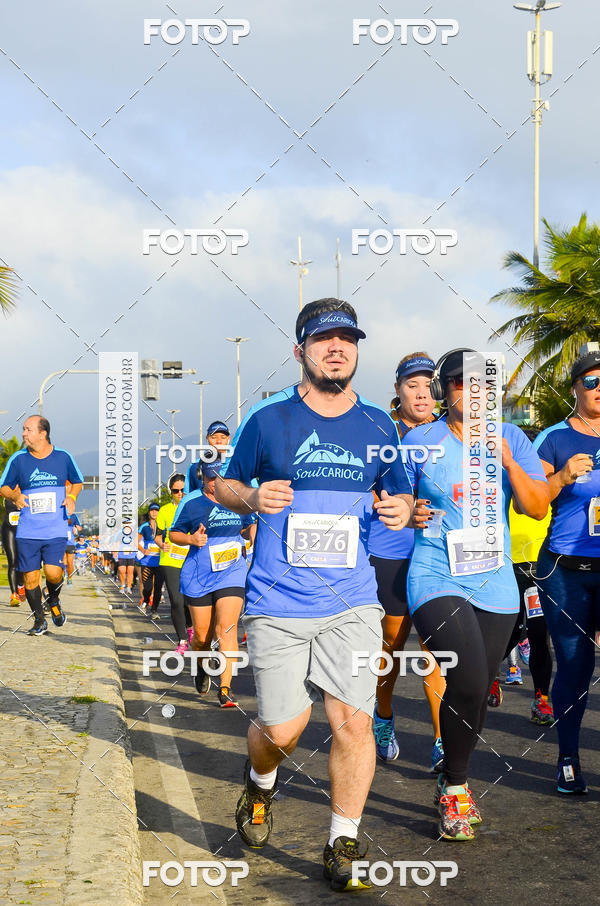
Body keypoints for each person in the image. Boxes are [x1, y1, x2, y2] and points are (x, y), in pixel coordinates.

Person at [215, 298, 414, 891]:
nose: (337, 348)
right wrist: (250, 499)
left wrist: (401, 509)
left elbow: (400, 495)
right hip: (278, 601)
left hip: (352, 601)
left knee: (352, 721)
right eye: (324, 339)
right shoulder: (269, 420)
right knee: (283, 730)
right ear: (300, 350)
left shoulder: (379, 424)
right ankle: (260, 780)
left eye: (347, 339)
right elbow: (221, 482)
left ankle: (342, 840)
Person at [403, 349, 549, 841]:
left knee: (478, 687)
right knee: (464, 674)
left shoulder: (511, 437)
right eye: (462, 383)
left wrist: (508, 461)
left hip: (495, 578)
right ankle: (457, 789)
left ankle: (451, 771)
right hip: (434, 572)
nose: (474, 392)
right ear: (446, 390)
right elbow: (393, 500)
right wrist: (410, 511)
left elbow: (533, 506)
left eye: (483, 384)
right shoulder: (419, 439)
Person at [368, 352, 446, 771]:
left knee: (436, 651)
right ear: (398, 391)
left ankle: (440, 739)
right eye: (411, 385)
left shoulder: (452, 433)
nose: (421, 392)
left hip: (436, 554)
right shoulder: (383, 434)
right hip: (391, 554)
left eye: (427, 385)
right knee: (392, 649)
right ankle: (382, 716)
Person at [534, 350, 600, 794]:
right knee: (575, 663)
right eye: (591, 381)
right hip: (565, 569)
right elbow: (533, 500)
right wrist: (560, 477)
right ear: (575, 386)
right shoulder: (554, 437)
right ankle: (568, 758)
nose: (599, 390)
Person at [170, 461, 254, 706]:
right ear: (202, 479)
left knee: (226, 629)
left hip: (232, 571)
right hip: (199, 574)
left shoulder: (238, 497)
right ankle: (201, 666)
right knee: (202, 636)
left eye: (221, 478)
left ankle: (225, 688)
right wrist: (191, 538)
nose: (216, 483)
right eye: (211, 478)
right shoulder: (191, 502)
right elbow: (173, 534)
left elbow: (250, 525)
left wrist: (254, 540)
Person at [0, 416, 83, 635]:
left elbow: (77, 481)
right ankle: (39, 620)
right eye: (23, 430)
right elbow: (4, 487)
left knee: (54, 573)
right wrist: (15, 495)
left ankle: (53, 599)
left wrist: (72, 497)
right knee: (30, 578)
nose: (24, 434)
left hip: (55, 529)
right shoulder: (18, 459)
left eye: (28, 430)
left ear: (42, 433)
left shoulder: (63, 457)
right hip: (28, 530)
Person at [156, 474, 193, 647]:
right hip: (170, 560)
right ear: (171, 491)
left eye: (182, 490)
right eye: (175, 491)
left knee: (189, 601)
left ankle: (191, 627)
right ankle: (182, 639)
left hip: (191, 559)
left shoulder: (194, 507)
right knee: (176, 600)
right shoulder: (164, 511)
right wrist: (162, 545)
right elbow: (157, 537)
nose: (179, 494)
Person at [184, 421, 231, 494]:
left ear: (228, 439)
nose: (218, 441)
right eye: (213, 437)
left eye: (223, 437)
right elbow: (187, 494)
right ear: (207, 438)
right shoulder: (196, 465)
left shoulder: (237, 463)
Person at [137, 503, 162, 613]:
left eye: (156, 511)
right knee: (147, 586)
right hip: (146, 562)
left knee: (158, 587)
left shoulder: (163, 526)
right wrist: (143, 550)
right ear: (149, 512)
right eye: (152, 510)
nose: (154, 513)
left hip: (160, 562)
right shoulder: (144, 526)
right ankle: (146, 599)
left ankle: (154, 609)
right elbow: (135, 542)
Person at [1, 500, 25, 606]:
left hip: (24, 529)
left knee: (22, 561)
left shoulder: (26, 489)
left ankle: (20, 585)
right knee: (13, 562)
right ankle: (14, 595)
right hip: (9, 529)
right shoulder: (6, 489)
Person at [64, 512, 81, 585]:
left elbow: (79, 528)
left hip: (70, 544)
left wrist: (76, 528)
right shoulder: (59, 513)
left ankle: (69, 577)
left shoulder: (73, 516)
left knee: (70, 562)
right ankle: (63, 576)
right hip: (61, 542)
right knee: (63, 562)